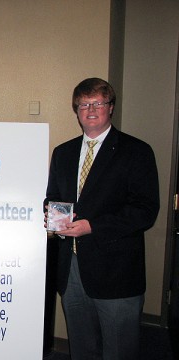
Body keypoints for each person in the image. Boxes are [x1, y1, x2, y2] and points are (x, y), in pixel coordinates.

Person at [44, 77, 160, 360]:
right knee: (82, 349)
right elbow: (52, 197)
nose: (90, 109)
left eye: (98, 102)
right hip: (70, 271)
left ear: (111, 108)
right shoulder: (64, 152)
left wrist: (92, 226)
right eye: (84, 104)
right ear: (77, 111)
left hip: (116, 273)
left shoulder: (137, 151)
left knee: (119, 350)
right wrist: (51, 214)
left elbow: (145, 210)